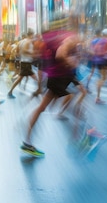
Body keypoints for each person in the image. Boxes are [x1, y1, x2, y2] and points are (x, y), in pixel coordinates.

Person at [21, 16, 80, 157]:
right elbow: (60, 54)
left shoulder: (46, 38)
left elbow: (41, 58)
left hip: (55, 77)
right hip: (62, 76)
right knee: (75, 100)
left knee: (43, 107)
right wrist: (71, 62)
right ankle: (80, 138)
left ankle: (27, 141)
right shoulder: (66, 36)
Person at [7, 30, 38, 98]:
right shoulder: (28, 41)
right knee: (34, 77)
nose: (33, 37)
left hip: (24, 62)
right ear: (31, 35)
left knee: (20, 78)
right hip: (26, 63)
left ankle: (10, 91)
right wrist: (32, 53)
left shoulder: (20, 42)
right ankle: (39, 90)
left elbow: (17, 53)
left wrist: (21, 57)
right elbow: (24, 50)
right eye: (33, 35)